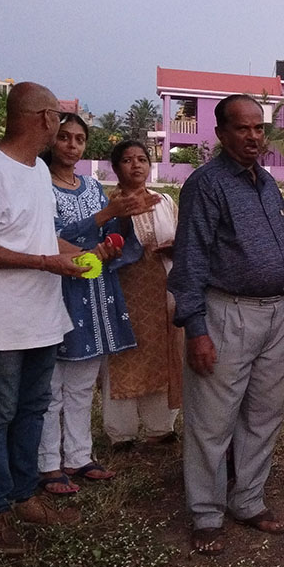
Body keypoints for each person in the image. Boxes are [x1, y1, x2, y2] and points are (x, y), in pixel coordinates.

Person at [168, 94, 284, 555]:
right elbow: (190, 261)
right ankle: (206, 512)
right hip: (227, 313)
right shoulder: (206, 185)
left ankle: (248, 500)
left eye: (259, 128)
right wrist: (196, 328)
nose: (254, 136)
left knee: (263, 414)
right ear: (221, 134)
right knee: (212, 418)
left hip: (277, 314)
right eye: (243, 128)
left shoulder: (266, 182)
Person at [0, 82, 86, 553]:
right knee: (0, 413)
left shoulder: (36, 173)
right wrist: (47, 264)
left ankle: (24, 494)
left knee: (32, 408)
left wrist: (86, 254)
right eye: (57, 117)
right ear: (44, 118)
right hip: (2, 320)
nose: (59, 125)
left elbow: (39, 238)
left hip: (41, 313)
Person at [38, 113, 156, 494]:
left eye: (79, 139)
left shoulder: (90, 186)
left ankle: (78, 456)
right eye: (64, 138)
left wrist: (117, 231)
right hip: (58, 289)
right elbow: (46, 237)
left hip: (95, 291)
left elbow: (109, 235)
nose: (72, 146)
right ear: (51, 141)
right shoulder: (40, 185)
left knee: (82, 384)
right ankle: (48, 464)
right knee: (52, 386)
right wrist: (108, 214)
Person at [105, 139, 183, 450]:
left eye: (142, 159)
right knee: (122, 356)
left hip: (162, 289)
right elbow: (105, 247)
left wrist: (176, 247)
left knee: (162, 355)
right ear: (116, 167)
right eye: (128, 160)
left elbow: (180, 236)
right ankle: (121, 432)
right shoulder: (108, 206)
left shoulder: (165, 202)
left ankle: (160, 426)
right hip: (125, 292)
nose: (136, 165)